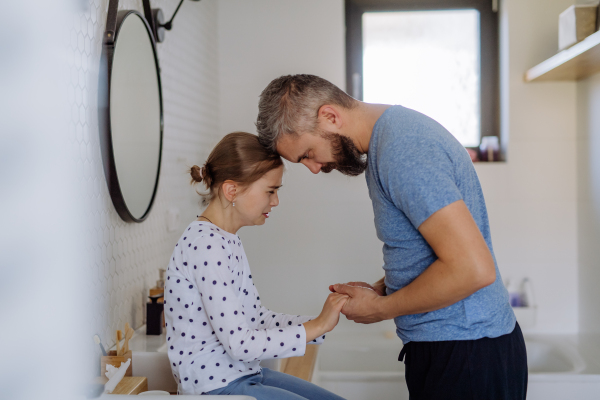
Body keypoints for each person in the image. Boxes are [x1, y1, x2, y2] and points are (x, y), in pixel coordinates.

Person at [256, 75, 528, 400]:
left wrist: (381, 308)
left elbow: (472, 268)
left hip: (465, 352)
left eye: (307, 154)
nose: (314, 168)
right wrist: (382, 288)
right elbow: (433, 251)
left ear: (330, 116)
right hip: (457, 346)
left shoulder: (402, 150)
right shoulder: (391, 140)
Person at [164, 132, 348, 399]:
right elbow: (240, 344)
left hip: (241, 375)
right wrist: (316, 327)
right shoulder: (206, 245)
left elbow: (255, 319)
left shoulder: (226, 239)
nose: (275, 202)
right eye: (270, 191)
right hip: (215, 387)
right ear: (232, 190)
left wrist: (321, 322)